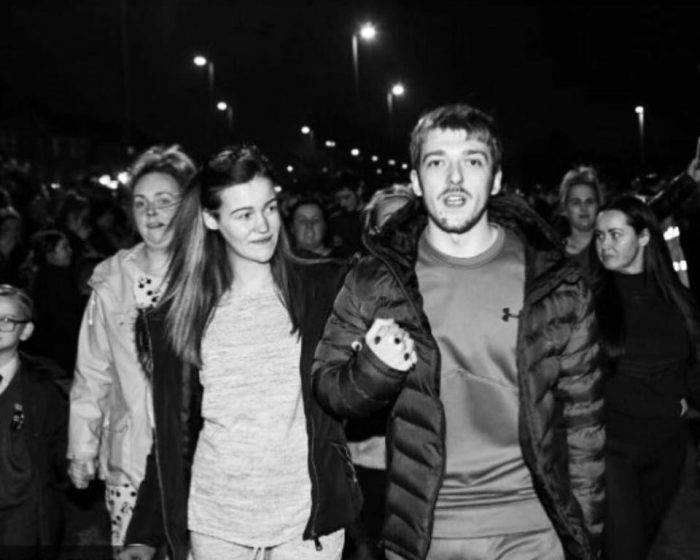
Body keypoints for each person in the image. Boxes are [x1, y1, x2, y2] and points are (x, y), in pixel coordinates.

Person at [313, 104, 605, 560]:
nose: (454, 178)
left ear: (496, 179)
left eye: (471, 161)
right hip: (426, 534)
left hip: (532, 530)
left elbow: (584, 422)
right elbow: (329, 388)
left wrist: (585, 535)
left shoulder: (555, 282)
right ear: (416, 181)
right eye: (437, 162)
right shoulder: (377, 279)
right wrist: (374, 369)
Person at [119, 145, 359, 560]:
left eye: (269, 208)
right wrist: (144, 532)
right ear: (211, 219)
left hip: (307, 522)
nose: (263, 226)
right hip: (218, 524)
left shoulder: (323, 289)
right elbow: (174, 435)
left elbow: (352, 394)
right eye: (244, 215)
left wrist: (378, 364)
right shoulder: (181, 315)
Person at [67, 145, 197, 548]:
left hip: (202, 460)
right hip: (132, 456)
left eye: (164, 201)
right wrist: (82, 447)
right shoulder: (111, 280)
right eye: (141, 203)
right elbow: (92, 370)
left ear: (188, 206)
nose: (151, 212)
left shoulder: (211, 274)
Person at [593, 195, 700, 559]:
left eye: (615, 234)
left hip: (668, 450)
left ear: (642, 237)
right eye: (600, 236)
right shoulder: (590, 301)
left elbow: (691, 366)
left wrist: (683, 400)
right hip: (613, 450)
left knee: (644, 543)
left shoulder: (677, 299)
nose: (604, 244)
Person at [0, 285, 68, 560]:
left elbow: (61, 451)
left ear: (25, 331)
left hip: (22, 513)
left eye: (7, 320)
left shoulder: (43, 390)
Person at [26, 229, 82, 376]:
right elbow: (63, 316)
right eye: (64, 248)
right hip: (60, 346)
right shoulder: (55, 279)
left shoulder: (52, 276)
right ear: (50, 255)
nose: (70, 251)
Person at [558, 165, 603, 275]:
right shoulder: (553, 254)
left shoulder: (609, 248)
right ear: (565, 208)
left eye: (589, 202)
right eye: (576, 202)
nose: (584, 208)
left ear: (598, 205)